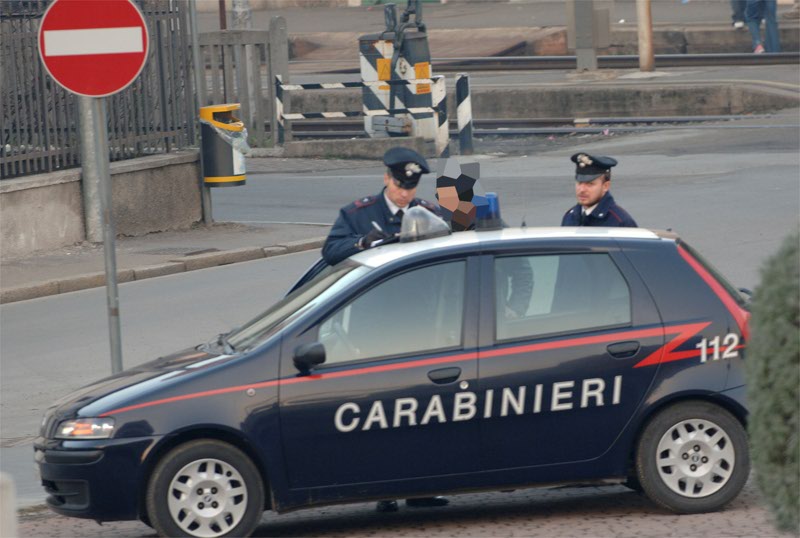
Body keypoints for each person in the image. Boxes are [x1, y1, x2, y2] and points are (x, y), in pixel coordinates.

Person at [322, 147, 440, 267]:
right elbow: (330, 252)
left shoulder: (431, 214)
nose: (404, 194)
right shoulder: (357, 214)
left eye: (410, 188)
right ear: (386, 179)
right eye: (399, 186)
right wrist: (362, 242)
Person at [561, 152, 637, 228]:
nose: (582, 190)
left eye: (590, 184)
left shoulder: (620, 222)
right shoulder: (570, 217)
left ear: (605, 186)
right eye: (579, 183)